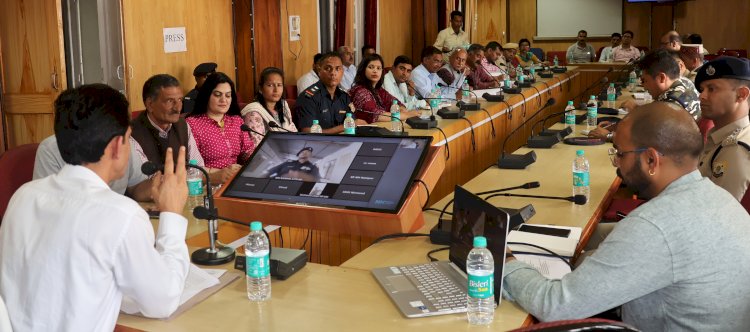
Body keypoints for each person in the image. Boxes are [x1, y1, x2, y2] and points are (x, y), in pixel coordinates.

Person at [504, 101, 750, 330]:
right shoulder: (716, 197)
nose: (616, 163)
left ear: (651, 160)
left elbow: (555, 307)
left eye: (620, 153)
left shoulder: (654, 225)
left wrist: (507, 262)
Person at [0, 84, 191, 330]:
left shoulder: (23, 197)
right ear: (115, 146)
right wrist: (172, 215)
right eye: (128, 138)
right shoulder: (121, 215)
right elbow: (163, 301)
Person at [589, 50, 701, 141]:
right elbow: (652, 120)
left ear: (662, 78)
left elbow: (654, 139)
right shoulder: (684, 83)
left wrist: (609, 136)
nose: (644, 87)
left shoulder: (672, 103)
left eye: (644, 80)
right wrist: (620, 126)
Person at [130, 74, 214, 180]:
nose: (178, 108)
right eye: (170, 101)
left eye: (180, 100)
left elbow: (197, 168)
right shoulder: (133, 134)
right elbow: (147, 181)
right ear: (150, 104)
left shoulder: (182, 125)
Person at [33, 134, 152, 202]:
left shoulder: (126, 141)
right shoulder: (51, 149)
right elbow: (48, 203)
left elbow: (137, 187)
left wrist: (156, 186)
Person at [696, 57, 750, 202]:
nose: (702, 96)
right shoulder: (719, 136)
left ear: (741, 94)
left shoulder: (736, 150)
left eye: (712, 89)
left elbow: (719, 216)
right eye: (702, 90)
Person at [186, 72, 254, 173]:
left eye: (228, 95)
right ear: (207, 96)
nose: (224, 100)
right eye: (218, 95)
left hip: (235, 178)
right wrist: (220, 173)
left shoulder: (236, 121)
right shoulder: (192, 124)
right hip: (209, 182)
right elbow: (193, 167)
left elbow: (248, 151)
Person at [294, 52, 366, 133]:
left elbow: (352, 121)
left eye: (338, 69)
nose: (333, 73)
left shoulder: (344, 97)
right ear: (319, 71)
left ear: (342, 72)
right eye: (328, 68)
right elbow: (308, 132)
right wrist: (344, 127)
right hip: (319, 144)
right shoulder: (309, 97)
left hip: (344, 143)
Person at [350, 54, 418, 123]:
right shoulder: (360, 91)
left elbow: (396, 103)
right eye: (371, 67)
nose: (375, 71)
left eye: (378, 68)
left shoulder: (378, 90)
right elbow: (376, 115)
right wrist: (406, 115)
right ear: (363, 69)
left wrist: (402, 109)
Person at [241, 67, 297, 147]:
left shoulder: (284, 106)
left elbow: (293, 133)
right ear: (261, 88)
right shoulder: (253, 113)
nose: (276, 90)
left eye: (279, 85)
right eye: (270, 85)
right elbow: (257, 145)